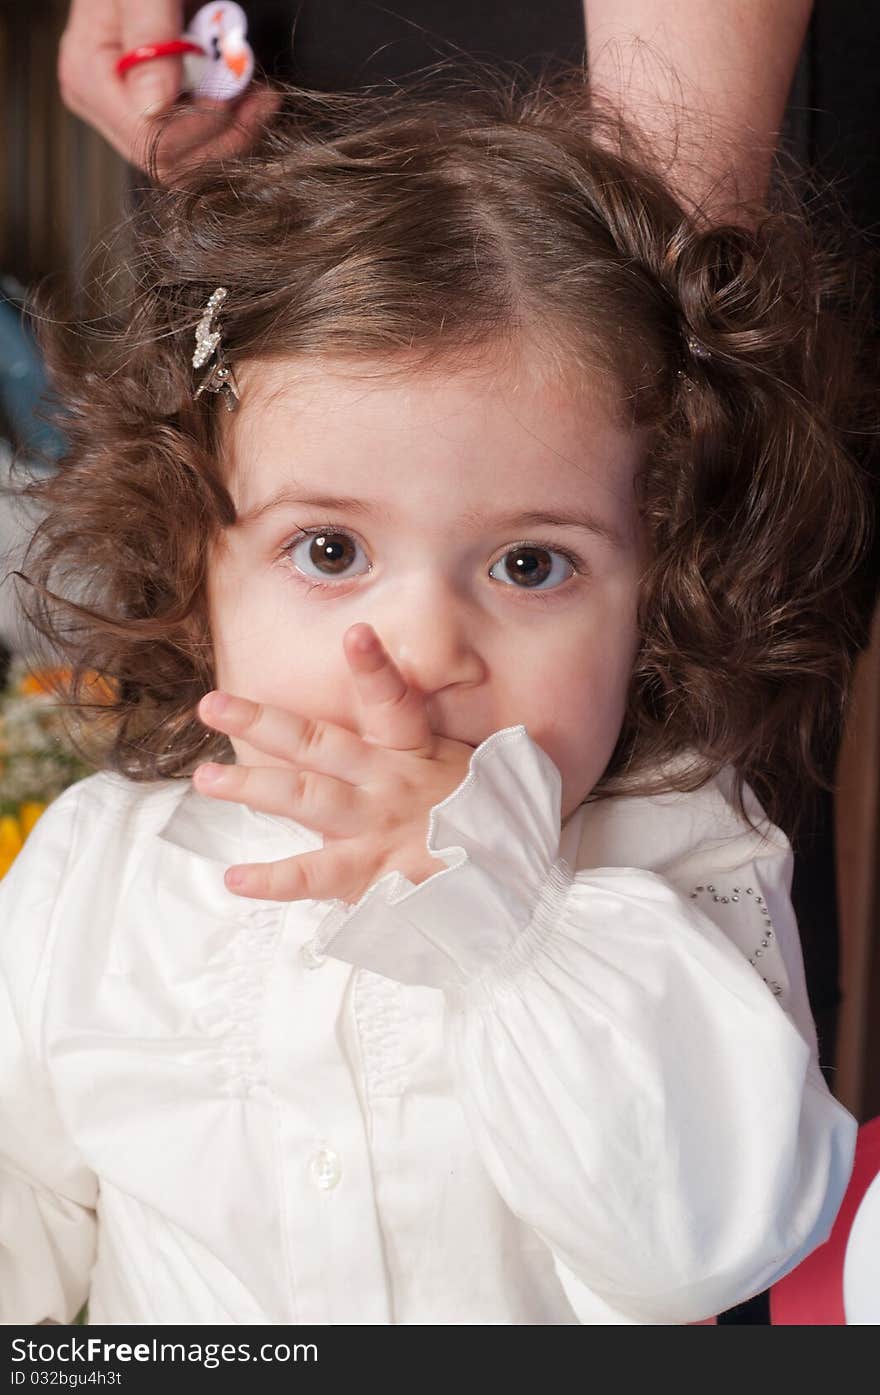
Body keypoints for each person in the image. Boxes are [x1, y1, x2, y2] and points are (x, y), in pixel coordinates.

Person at [0, 70, 870, 1325]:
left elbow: (700, 1250)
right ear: (197, 564)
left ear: (660, 594)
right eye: (331, 551)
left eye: (529, 565)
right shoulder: (96, 873)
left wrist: (502, 925)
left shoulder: (679, 860)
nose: (418, 646)